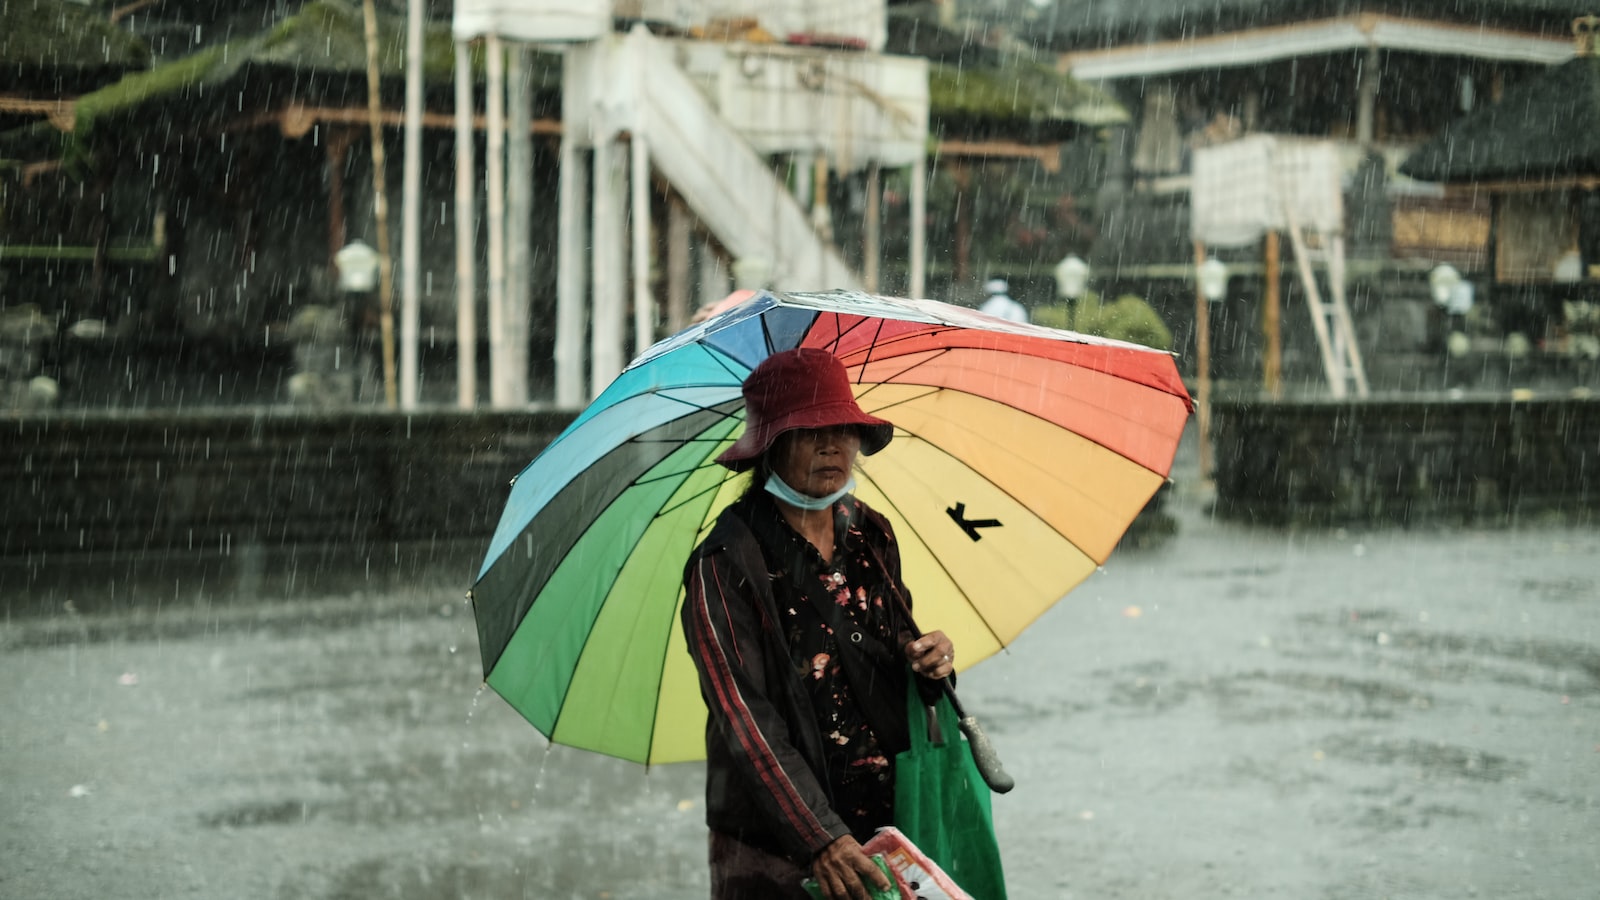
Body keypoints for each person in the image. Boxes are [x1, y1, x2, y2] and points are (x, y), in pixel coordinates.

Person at [681, 348, 957, 900]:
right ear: (771, 446)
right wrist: (821, 838)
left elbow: (893, 647)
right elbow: (745, 720)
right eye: (811, 431)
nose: (833, 445)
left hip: (885, 829)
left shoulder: (870, 535)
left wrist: (930, 664)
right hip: (781, 847)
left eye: (844, 429)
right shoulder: (726, 564)